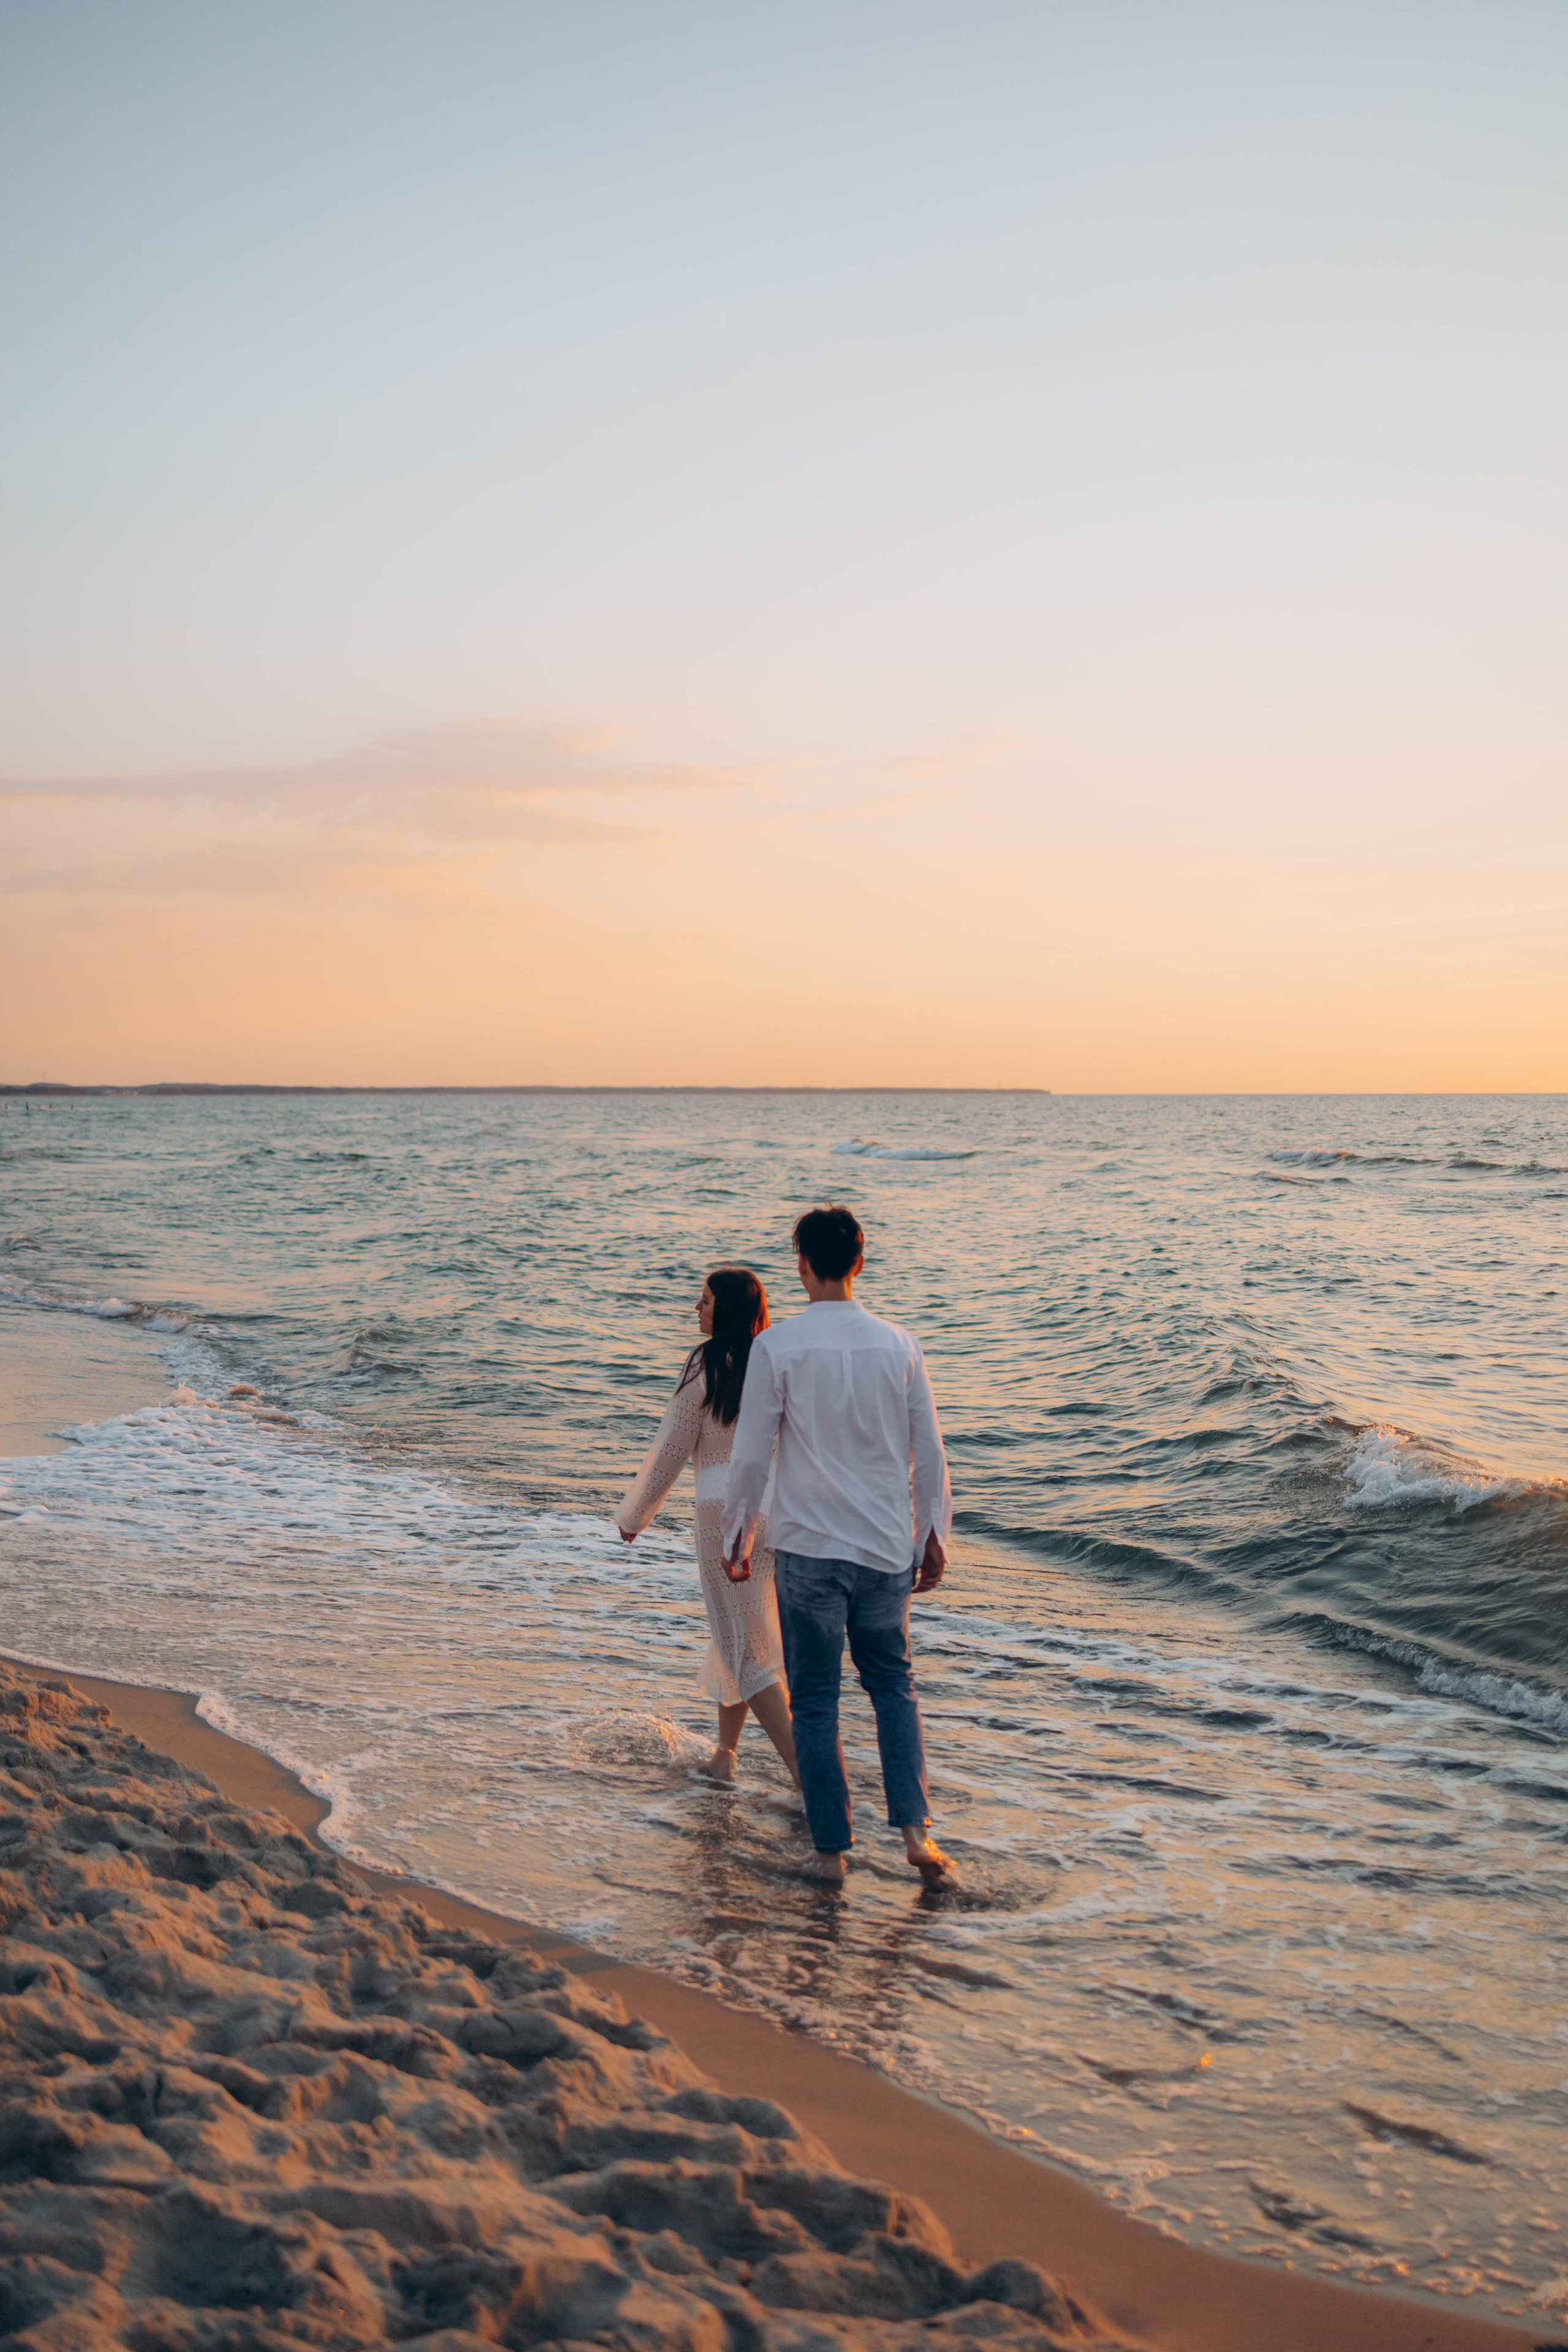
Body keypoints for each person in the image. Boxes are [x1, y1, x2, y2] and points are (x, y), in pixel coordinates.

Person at [722, 1205, 954, 1887]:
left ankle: (830, 1852)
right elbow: (930, 1451)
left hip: (809, 1549)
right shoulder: (899, 1344)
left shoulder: (778, 1347)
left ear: (800, 1265)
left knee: (817, 1700)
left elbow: (752, 1454)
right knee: (893, 1688)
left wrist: (739, 1533)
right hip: (884, 1548)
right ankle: (917, 1838)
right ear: (860, 1260)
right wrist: (931, 1534)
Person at [617, 1267, 801, 1793]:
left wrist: (634, 1518)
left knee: (748, 1652)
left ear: (727, 1310)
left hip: (725, 1519)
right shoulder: (774, 1359)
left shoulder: (705, 1362)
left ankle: (810, 1779)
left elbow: (672, 1450)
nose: (697, 1309)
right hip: (776, 1515)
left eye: (704, 1301)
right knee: (737, 1638)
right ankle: (725, 1756)